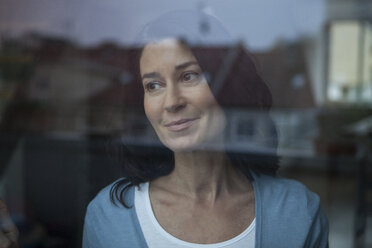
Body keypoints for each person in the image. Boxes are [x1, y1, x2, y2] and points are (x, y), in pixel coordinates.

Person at [83, 10, 329, 248]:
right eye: (154, 85)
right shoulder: (109, 216)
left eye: (189, 76)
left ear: (229, 86)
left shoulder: (298, 212)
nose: (172, 102)